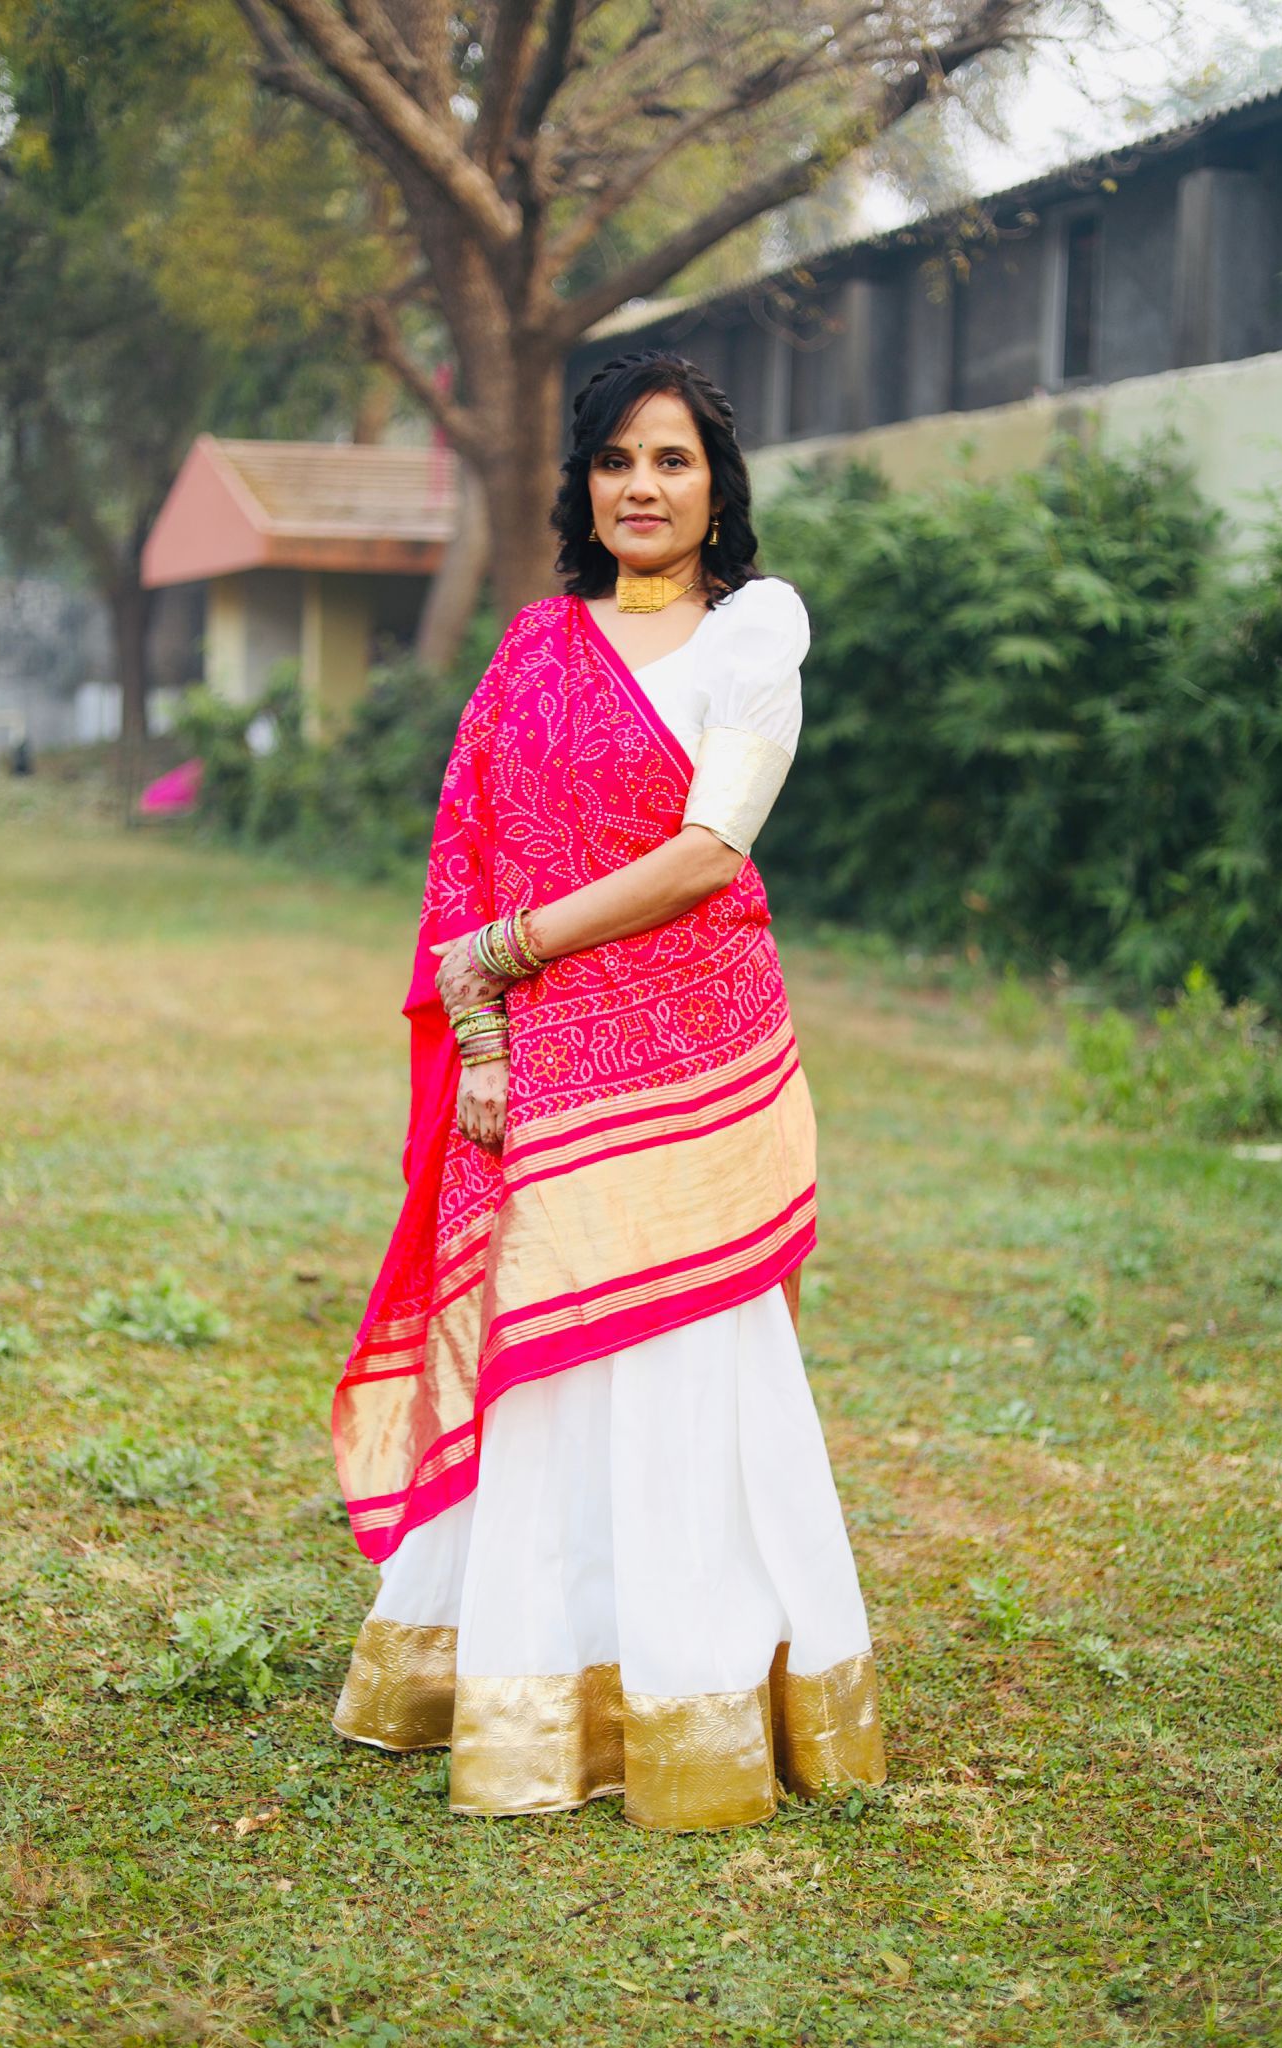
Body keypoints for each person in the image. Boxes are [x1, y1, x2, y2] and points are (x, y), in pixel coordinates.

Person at [331, 349, 886, 1831]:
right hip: (545, 1054)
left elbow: (712, 849)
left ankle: (698, 1694)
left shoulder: (751, 631)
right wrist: (496, 1014)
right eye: (615, 462)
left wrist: (504, 951)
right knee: (552, 1365)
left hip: (694, 1048)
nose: (641, 488)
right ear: (582, 486)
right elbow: (476, 843)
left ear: (717, 487)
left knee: (688, 1366)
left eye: (673, 461)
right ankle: (531, 1678)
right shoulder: (534, 644)